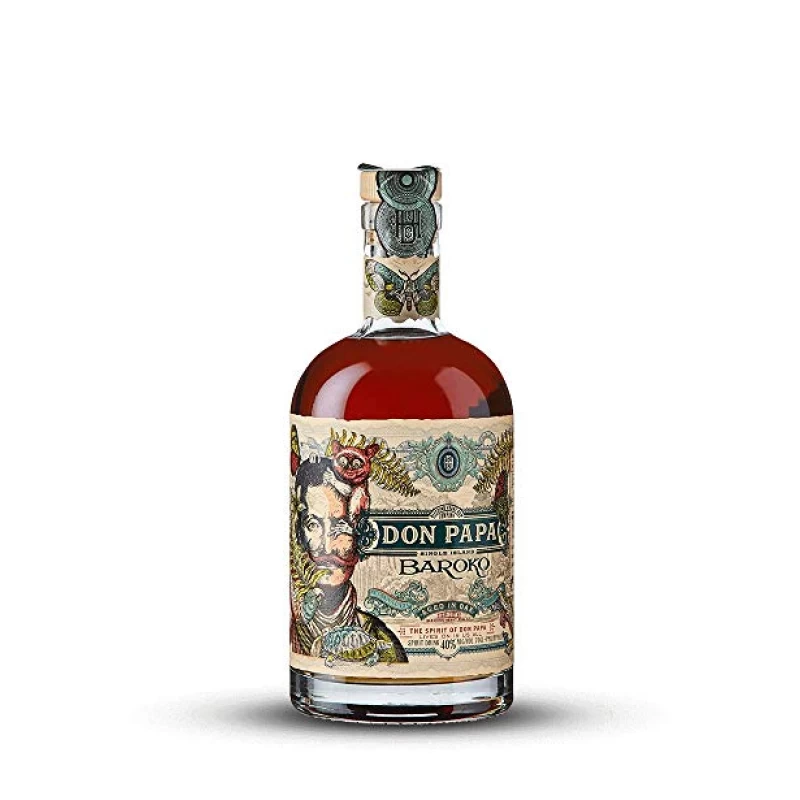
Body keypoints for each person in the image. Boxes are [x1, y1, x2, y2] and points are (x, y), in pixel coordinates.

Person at [289, 456, 407, 663]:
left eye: (340, 527)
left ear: (360, 535)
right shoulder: (295, 629)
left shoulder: (381, 638)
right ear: (299, 532)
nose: (327, 546)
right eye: (313, 525)